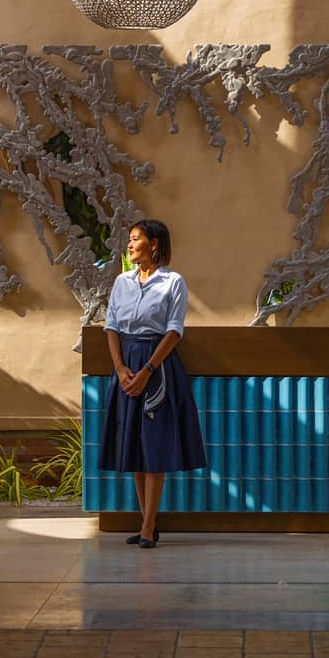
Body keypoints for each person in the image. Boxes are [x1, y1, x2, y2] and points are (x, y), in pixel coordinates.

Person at [98, 219, 207, 548]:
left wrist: (146, 369)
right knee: (132, 443)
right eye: (130, 240)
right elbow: (112, 327)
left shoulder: (173, 282)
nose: (129, 245)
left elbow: (174, 331)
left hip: (156, 368)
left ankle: (148, 526)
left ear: (154, 244)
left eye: (135, 239)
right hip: (126, 364)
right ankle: (147, 523)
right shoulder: (121, 282)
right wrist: (120, 369)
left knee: (154, 446)